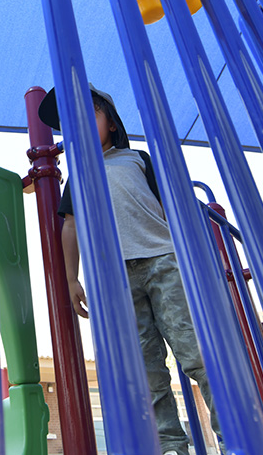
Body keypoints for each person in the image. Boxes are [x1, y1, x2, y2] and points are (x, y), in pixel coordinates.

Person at [39, 83, 222, 455]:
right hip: (113, 278)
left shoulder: (137, 158)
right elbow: (70, 227)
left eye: (90, 114)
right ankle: (170, 444)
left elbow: (169, 206)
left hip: (164, 261)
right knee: (145, 366)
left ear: (110, 122)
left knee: (196, 351)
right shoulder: (79, 177)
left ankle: (234, 434)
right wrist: (72, 277)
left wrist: (192, 252)